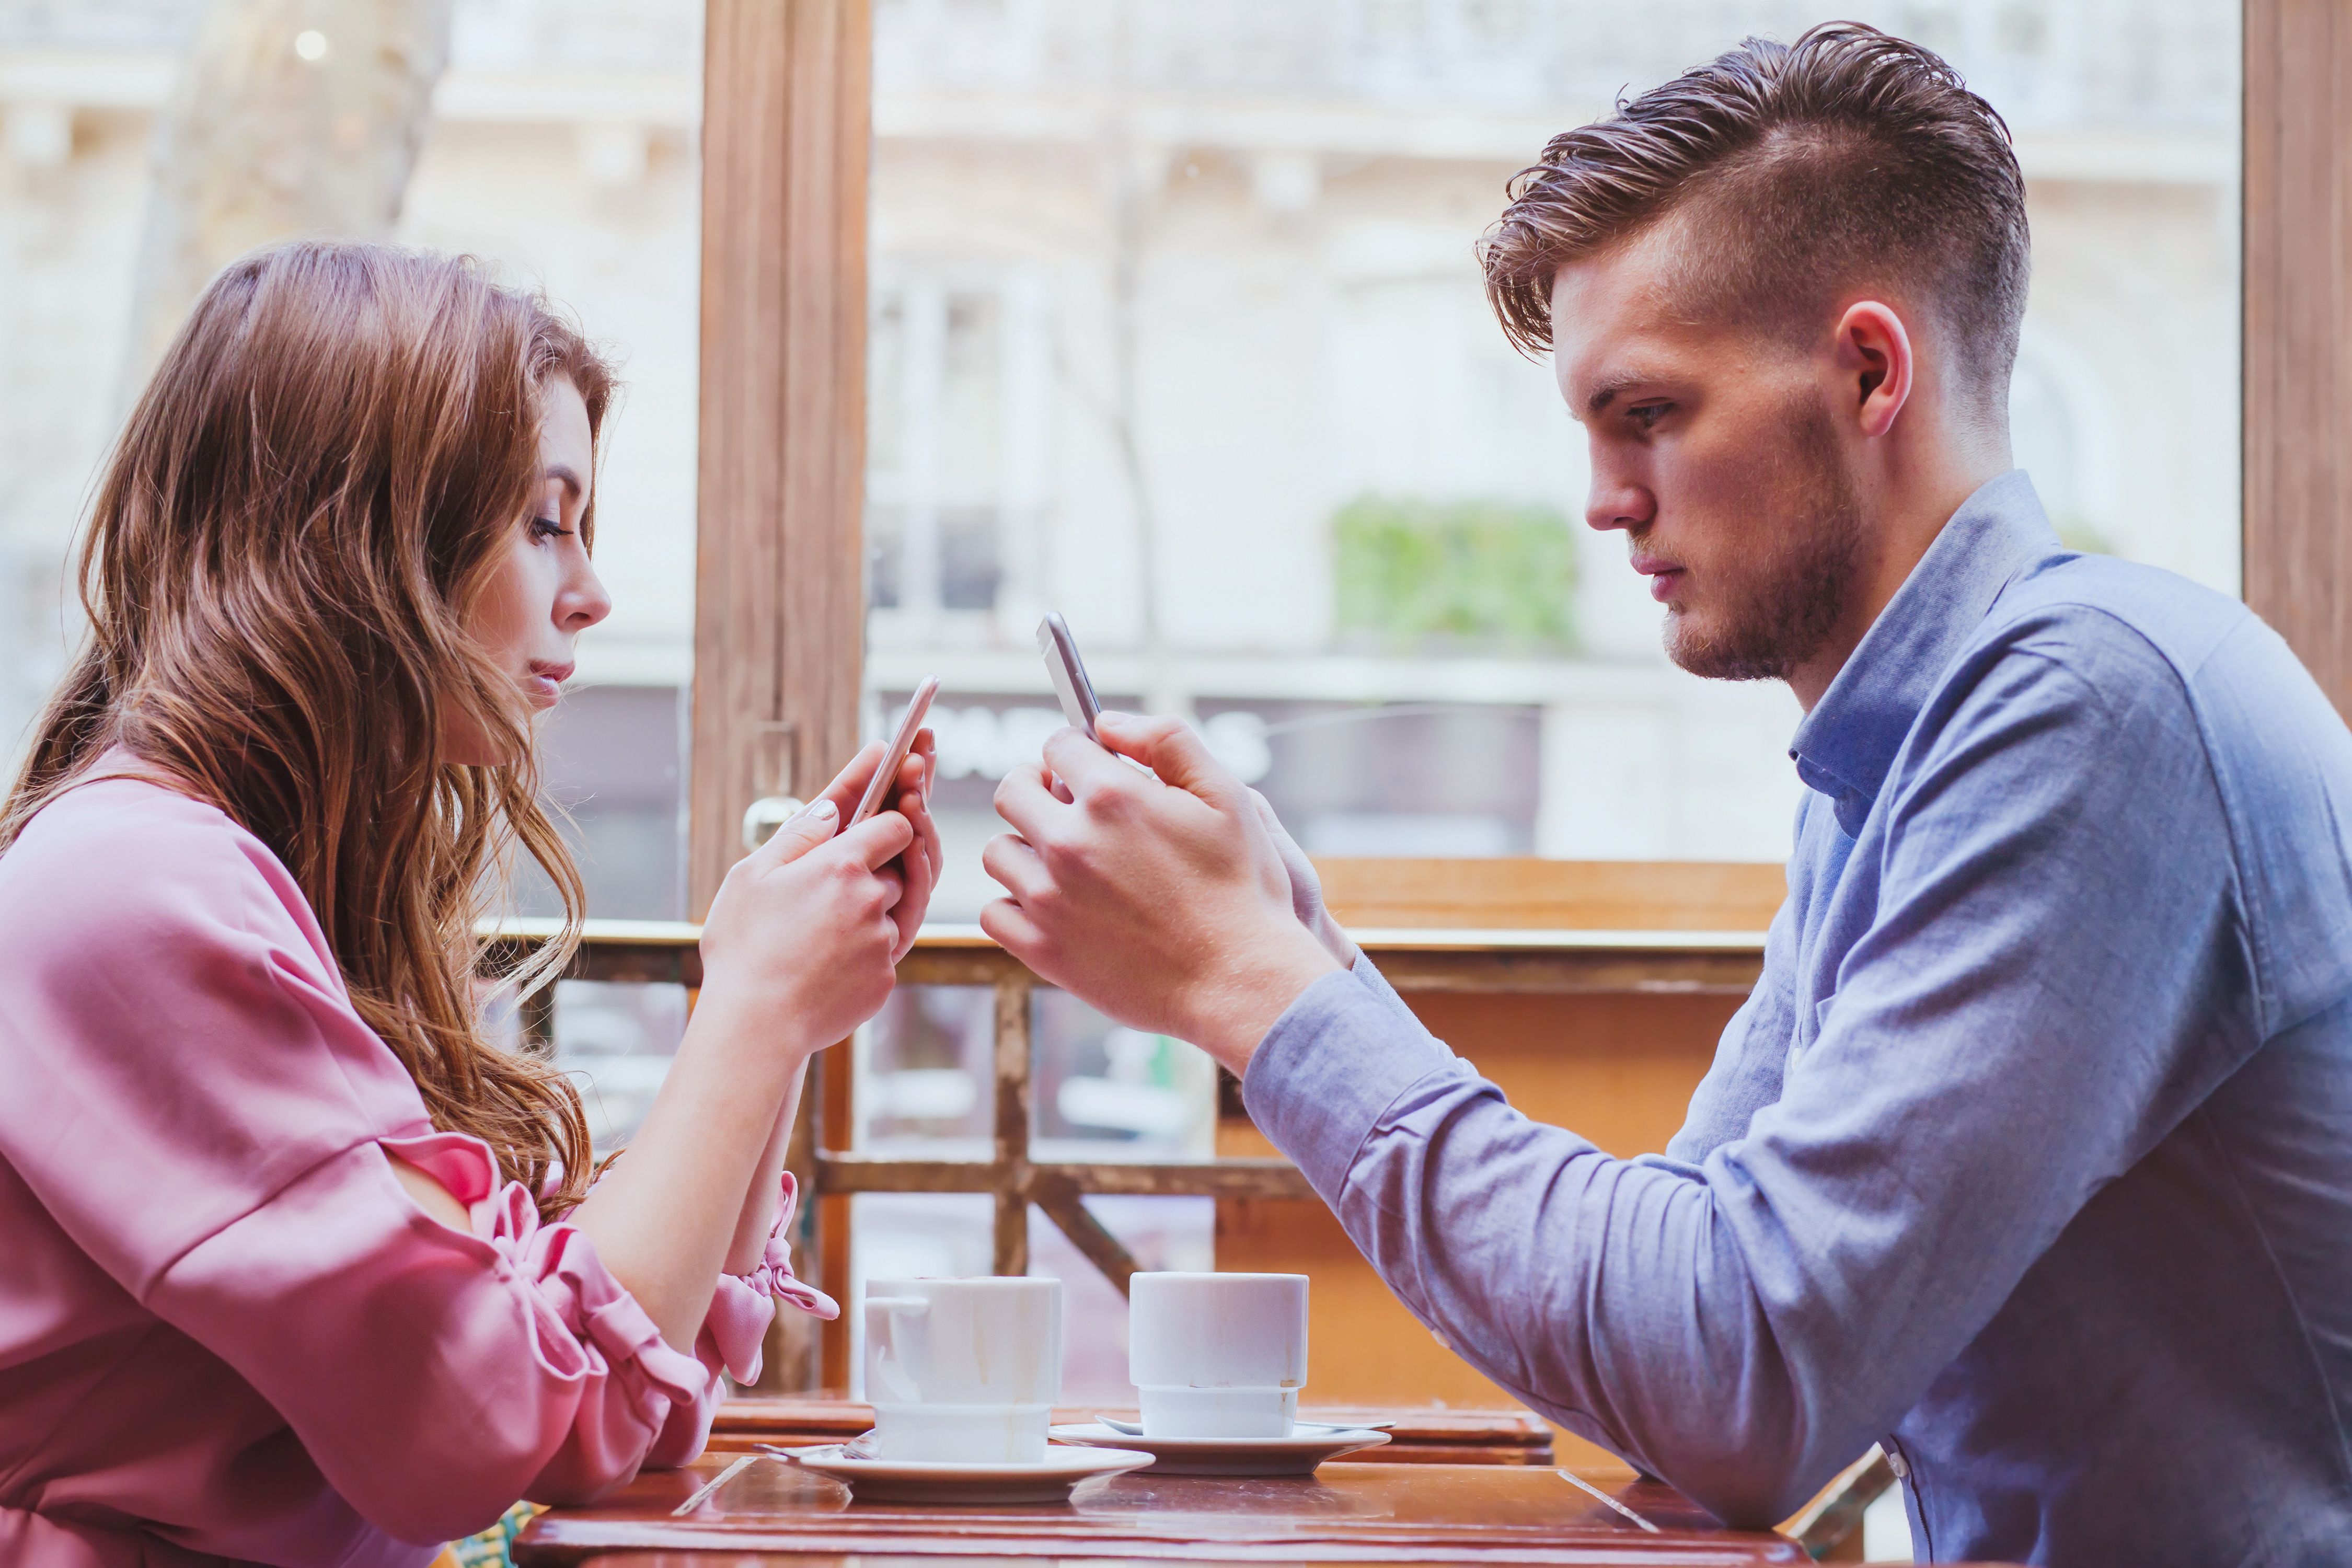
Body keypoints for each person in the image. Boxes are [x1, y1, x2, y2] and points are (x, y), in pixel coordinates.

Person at [979, 24, 2352, 1567]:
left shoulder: (2089, 712)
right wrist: (1295, 942)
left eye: (1647, 414)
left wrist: (1255, 987)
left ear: (1868, 371)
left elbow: (1738, 1377)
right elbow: (1678, 1312)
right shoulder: (1892, 757)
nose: (1600, 501)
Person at [0, 241, 941, 1564]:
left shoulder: (222, 875)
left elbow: (618, 1401)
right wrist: (755, 1009)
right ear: (358, 536)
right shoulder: (130, 891)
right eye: (545, 522)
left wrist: (770, 1004)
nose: (591, 592)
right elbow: (502, 1415)